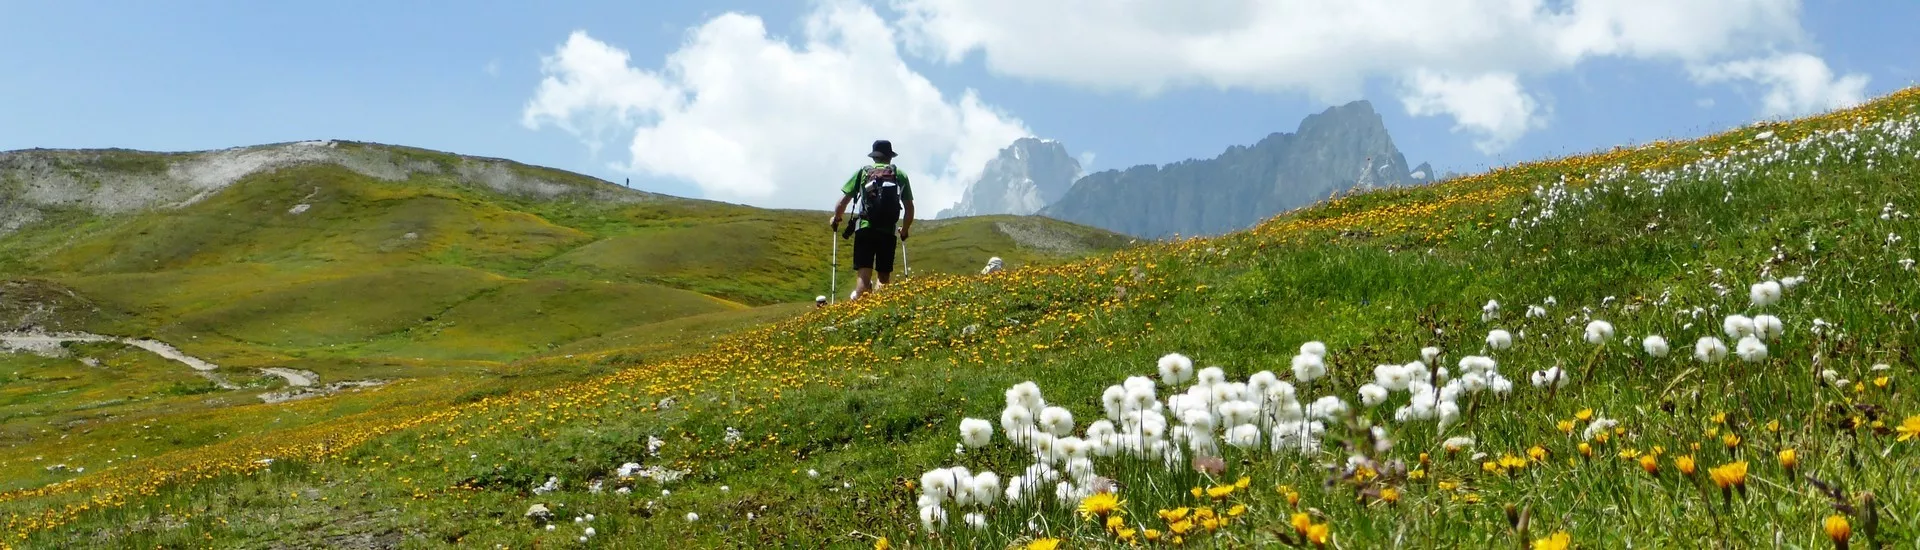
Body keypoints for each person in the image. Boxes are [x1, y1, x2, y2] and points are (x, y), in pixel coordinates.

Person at [830, 140, 914, 300]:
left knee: (864, 274)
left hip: (865, 228)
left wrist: (837, 218)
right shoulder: (900, 175)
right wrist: (904, 230)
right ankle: (880, 310)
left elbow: (843, 202)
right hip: (888, 230)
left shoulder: (863, 172)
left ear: (874, 157)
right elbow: (909, 208)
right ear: (890, 157)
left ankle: (861, 309)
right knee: (883, 277)